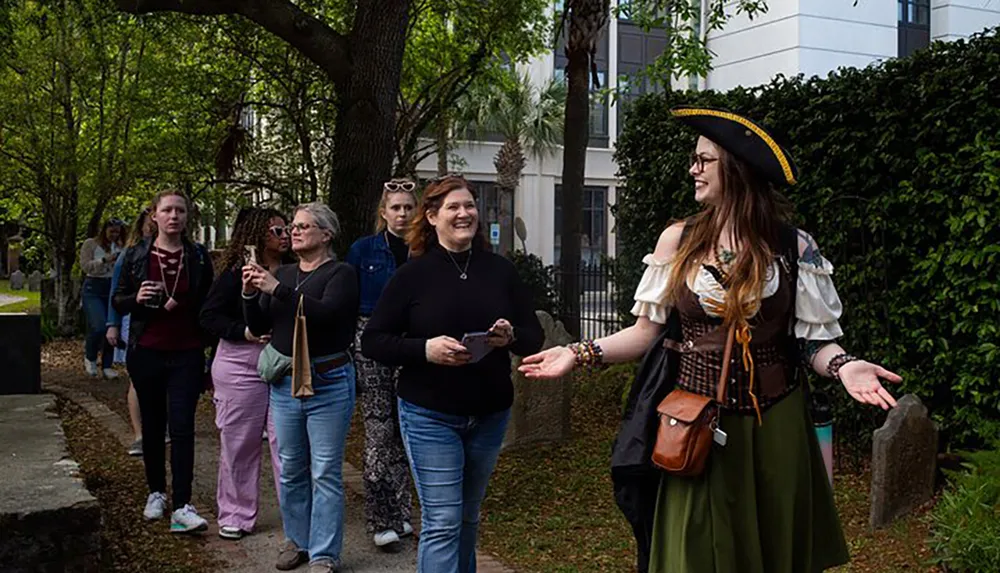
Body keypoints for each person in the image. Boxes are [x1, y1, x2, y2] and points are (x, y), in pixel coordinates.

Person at [519, 107, 902, 573]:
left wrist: (846, 366)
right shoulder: (678, 241)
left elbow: (813, 342)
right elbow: (645, 334)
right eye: (694, 159)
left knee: (775, 549)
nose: (692, 169)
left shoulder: (793, 247)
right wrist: (577, 353)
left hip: (775, 426)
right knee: (694, 551)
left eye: (704, 161)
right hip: (694, 423)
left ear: (737, 170)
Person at [361, 175, 544, 573]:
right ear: (431, 216)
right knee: (443, 522)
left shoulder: (500, 271)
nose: (464, 214)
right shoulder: (412, 275)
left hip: (490, 413)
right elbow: (373, 341)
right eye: (453, 207)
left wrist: (510, 336)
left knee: (467, 518)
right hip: (430, 414)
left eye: (470, 206)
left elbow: (534, 338)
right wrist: (424, 349)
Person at [242, 202, 359, 573]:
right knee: (291, 466)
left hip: (329, 381)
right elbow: (261, 321)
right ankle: (298, 540)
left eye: (304, 226)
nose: (293, 231)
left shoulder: (341, 273)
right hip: (285, 384)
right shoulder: (286, 272)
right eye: (291, 226)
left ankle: (324, 553)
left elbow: (327, 315)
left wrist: (276, 289)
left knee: (324, 470)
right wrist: (249, 293)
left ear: (326, 234)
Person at [113, 189, 215, 534]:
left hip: (186, 351)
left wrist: (211, 349)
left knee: (184, 426)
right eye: (167, 210)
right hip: (147, 350)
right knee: (154, 426)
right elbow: (118, 299)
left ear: (187, 218)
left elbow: (208, 302)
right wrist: (135, 297)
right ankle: (156, 492)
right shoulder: (136, 255)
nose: (174, 216)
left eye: (180, 211)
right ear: (154, 215)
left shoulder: (198, 256)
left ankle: (183, 503)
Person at [200, 207, 289, 540]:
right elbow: (209, 317)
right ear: (255, 234)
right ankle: (236, 513)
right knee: (239, 443)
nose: (283, 237)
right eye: (275, 231)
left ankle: (295, 519)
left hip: (284, 363)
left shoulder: (295, 271)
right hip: (241, 364)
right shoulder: (235, 272)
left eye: (286, 230)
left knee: (288, 445)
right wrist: (244, 332)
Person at [346, 178, 417, 551]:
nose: (402, 214)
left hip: (413, 343)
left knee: (408, 429)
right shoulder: (363, 250)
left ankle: (403, 512)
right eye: (396, 207)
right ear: (383, 212)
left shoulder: (425, 250)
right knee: (379, 430)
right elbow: (348, 302)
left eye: (408, 207)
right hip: (370, 339)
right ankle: (379, 517)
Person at [107, 209, 157, 456]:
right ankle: (139, 434)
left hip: (162, 324)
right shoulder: (128, 255)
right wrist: (112, 324)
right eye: (151, 225)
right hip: (134, 320)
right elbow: (116, 292)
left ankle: (160, 426)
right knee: (138, 379)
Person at [81, 218, 125, 378]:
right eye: (111, 231)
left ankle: (107, 365)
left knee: (111, 326)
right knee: (98, 325)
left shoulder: (120, 246)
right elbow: (85, 266)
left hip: (112, 287)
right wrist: (104, 260)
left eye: (117, 232)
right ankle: (90, 356)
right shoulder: (91, 244)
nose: (114, 235)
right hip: (93, 286)